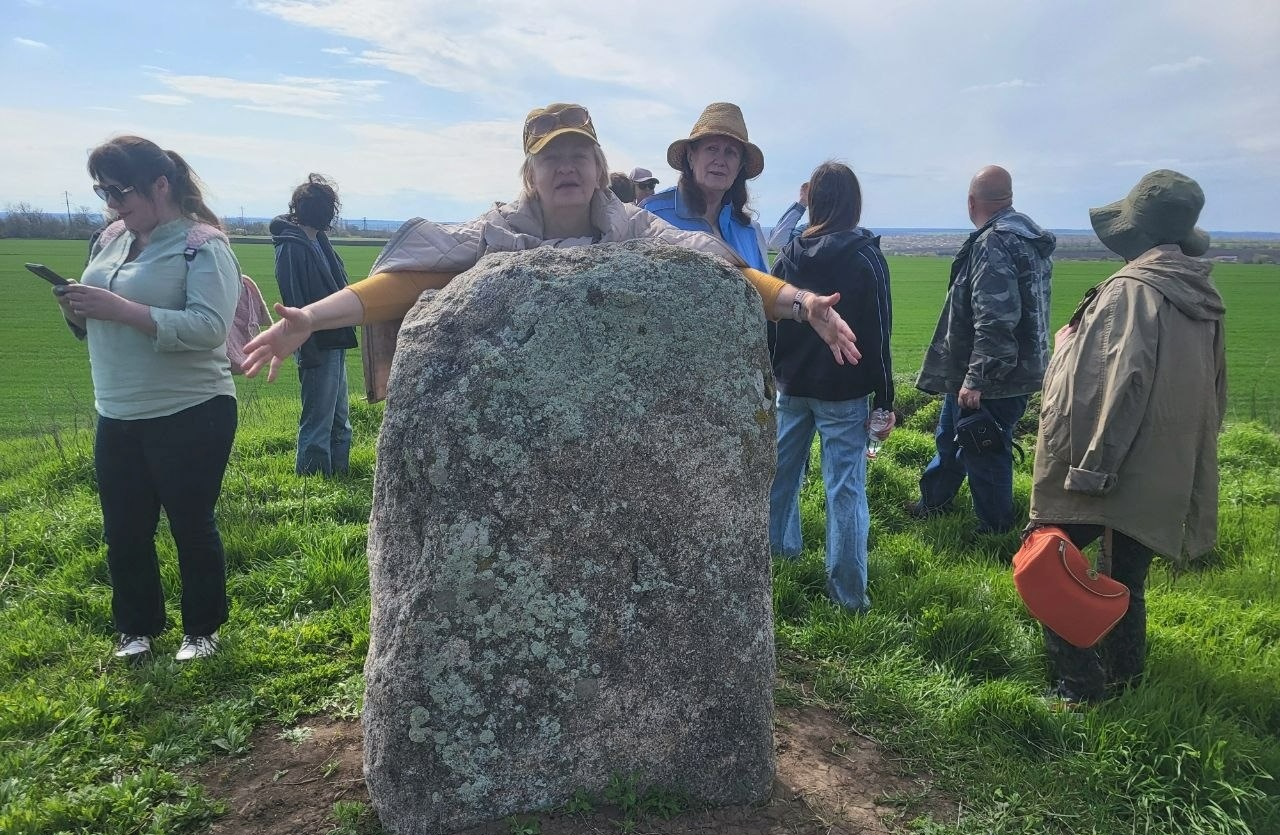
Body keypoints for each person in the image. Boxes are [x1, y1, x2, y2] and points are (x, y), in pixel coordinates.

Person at [242, 103, 860, 393]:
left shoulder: (633, 226)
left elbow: (716, 265)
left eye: (578, 156)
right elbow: (413, 273)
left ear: (598, 169)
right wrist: (312, 318)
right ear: (530, 174)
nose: (566, 168)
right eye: (551, 158)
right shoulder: (497, 231)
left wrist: (802, 302)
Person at [1030, 169, 1226, 705]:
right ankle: (1126, 678)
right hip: (1163, 465)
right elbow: (1214, 390)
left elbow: (1116, 388)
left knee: (1047, 563)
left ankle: (1080, 687)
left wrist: (1090, 468)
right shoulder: (1201, 294)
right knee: (1123, 577)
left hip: (1107, 464)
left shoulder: (1130, 293)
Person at [51, 135, 241, 662]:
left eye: (120, 190)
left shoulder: (203, 246)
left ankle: (201, 630)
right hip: (116, 408)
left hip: (191, 409)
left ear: (161, 185)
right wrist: (76, 309)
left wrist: (119, 309)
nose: (112, 204)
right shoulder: (108, 238)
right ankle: (136, 629)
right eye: (102, 191)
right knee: (124, 529)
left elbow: (208, 328)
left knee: (190, 521)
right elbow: (94, 326)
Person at [768, 162, 894, 611]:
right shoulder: (866, 256)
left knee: (780, 478)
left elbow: (772, 322)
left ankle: (776, 567)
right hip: (845, 388)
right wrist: (886, 399)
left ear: (814, 201)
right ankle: (848, 598)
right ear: (855, 203)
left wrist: (772, 375)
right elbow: (880, 330)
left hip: (791, 385)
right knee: (844, 488)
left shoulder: (789, 254)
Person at [908, 165, 1055, 534]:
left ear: (972, 201)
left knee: (984, 450)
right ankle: (934, 502)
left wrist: (977, 379)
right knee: (950, 437)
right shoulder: (1028, 240)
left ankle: (994, 529)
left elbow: (996, 318)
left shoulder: (995, 242)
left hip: (992, 376)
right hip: (1007, 369)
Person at [271, 174, 356, 476]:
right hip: (316, 343)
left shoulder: (318, 241)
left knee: (339, 418)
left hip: (335, 337)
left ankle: (339, 475)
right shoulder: (291, 247)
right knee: (318, 420)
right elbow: (293, 299)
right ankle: (314, 484)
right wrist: (306, 346)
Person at [641, 102, 768, 269]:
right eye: (712, 148)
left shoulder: (750, 232)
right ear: (691, 157)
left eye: (731, 152)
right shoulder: (651, 215)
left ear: (739, 168)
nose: (720, 161)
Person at [768, 182, 809, 251]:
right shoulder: (807, 229)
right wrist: (803, 201)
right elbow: (777, 243)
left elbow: (778, 243)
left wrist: (803, 202)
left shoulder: (809, 229)